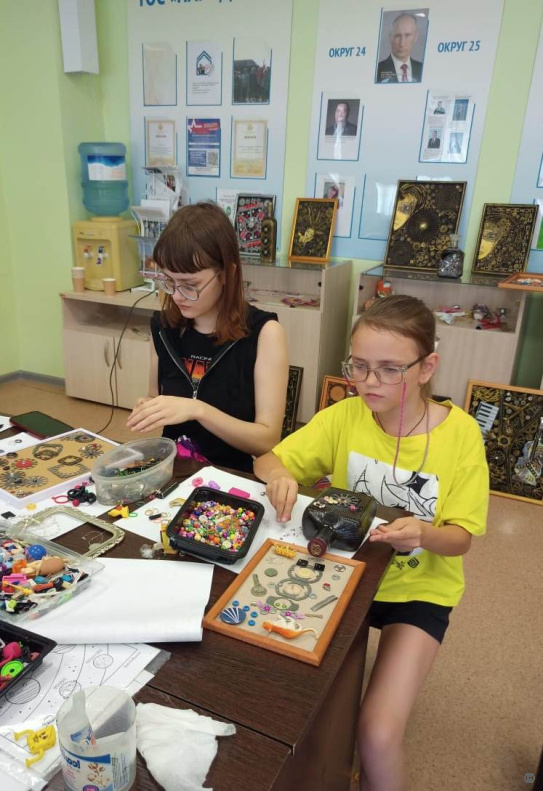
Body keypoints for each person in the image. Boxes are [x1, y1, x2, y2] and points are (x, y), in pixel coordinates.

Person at [254, 295, 488, 791]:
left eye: (389, 369)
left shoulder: (462, 436)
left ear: (427, 368)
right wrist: (279, 477)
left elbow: (460, 540)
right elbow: (268, 459)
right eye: (358, 366)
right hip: (345, 576)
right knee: (292, 698)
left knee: (378, 735)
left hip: (418, 591)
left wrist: (424, 533)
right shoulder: (345, 415)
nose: (369, 382)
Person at [127, 201, 289, 473]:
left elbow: (266, 439)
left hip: (231, 477)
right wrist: (149, 407)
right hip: (175, 472)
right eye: (169, 281)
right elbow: (154, 396)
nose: (177, 296)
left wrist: (197, 409)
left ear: (227, 273)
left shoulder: (265, 334)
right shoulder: (164, 329)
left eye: (190, 285)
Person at [377, 12, 424, 83]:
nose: (402, 43)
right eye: (397, 36)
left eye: (407, 35)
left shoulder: (423, 69)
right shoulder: (378, 70)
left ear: (415, 37)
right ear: (390, 38)